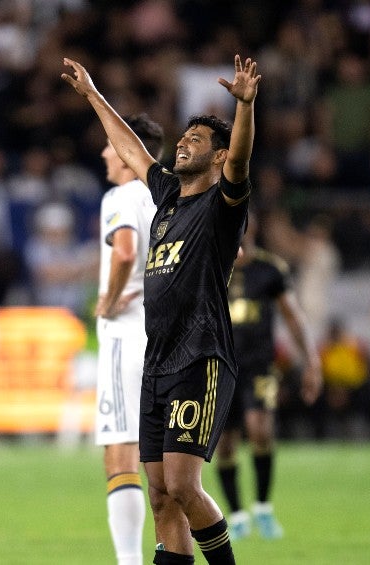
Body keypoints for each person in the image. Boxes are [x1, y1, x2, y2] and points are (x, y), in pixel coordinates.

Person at [63, 53, 260, 565]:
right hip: (157, 361)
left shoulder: (222, 207)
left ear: (216, 158)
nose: (184, 143)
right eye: (183, 137)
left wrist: (244, 110)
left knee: (183, 484)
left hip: (201, 357)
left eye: (197, 140)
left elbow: (239, 161)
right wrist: (92, 94)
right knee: (159, 494)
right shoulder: (168, 198)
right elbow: (130, 148)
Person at [215, 215, 322, 541]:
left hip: (258, 365)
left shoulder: (269, 269)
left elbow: (292, 316)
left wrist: (311, 360)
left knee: (260, 429)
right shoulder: (212, 262)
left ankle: (262, 508)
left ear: (253, 227)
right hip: (219, 366)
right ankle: (236, 516)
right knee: (225, 444)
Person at [93, 113, 164, 565]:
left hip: (126, 335)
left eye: (109, 144)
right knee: (164, 459)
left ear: (125, 148)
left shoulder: (121, 195)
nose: (103, 151)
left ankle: (128, 562)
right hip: (168, 336)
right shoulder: (173, 197)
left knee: (121, 450)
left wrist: (110, 298)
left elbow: (124, 250)